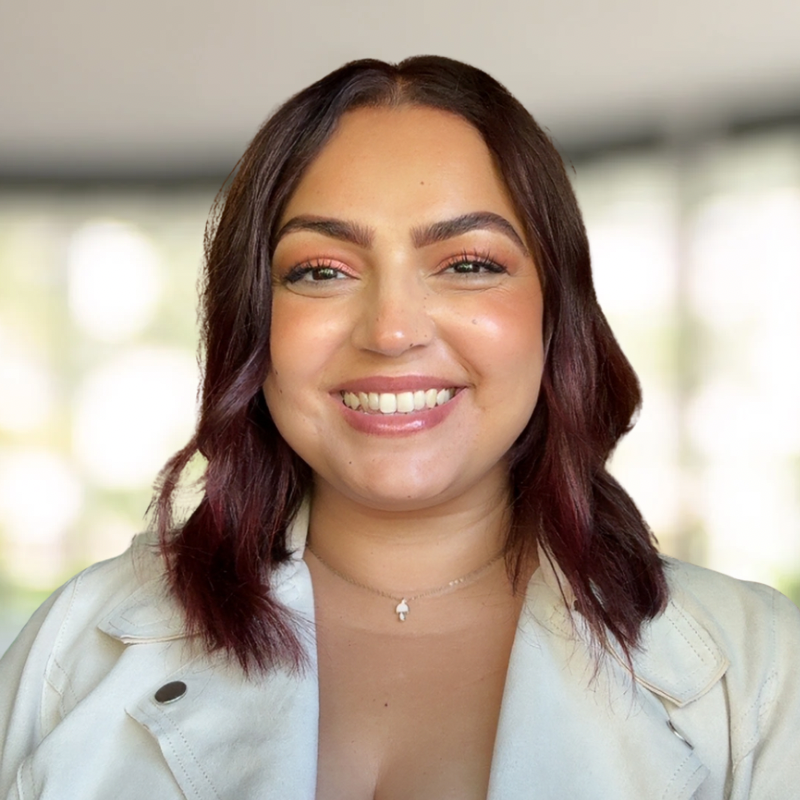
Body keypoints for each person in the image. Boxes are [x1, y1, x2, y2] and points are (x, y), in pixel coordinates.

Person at [1, 56, 799, 800]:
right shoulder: (72, 653)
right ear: (253, 321)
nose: (390, 330)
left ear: (556, 315)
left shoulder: (762, 669)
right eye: (322, 271)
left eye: (468, 263)